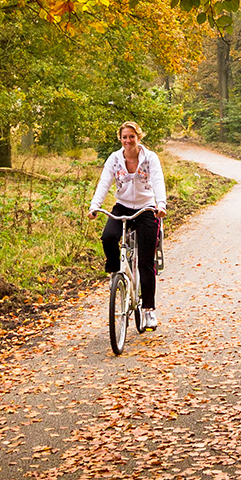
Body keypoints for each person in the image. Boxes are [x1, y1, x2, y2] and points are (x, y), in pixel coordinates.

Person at [89, 121, 167, 330]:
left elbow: (158, 180)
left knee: (145, 262)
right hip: (122, 206)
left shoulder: (150, 158)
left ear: (138, 137)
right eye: (124, 137)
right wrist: (94, 206)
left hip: (146, 208)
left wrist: (161, 204)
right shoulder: (115, 159)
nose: (128, 140)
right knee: (108, 237)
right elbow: (104, 182)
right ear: (120, 139)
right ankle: (116, 273)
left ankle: (148, 310)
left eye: (131, 136)